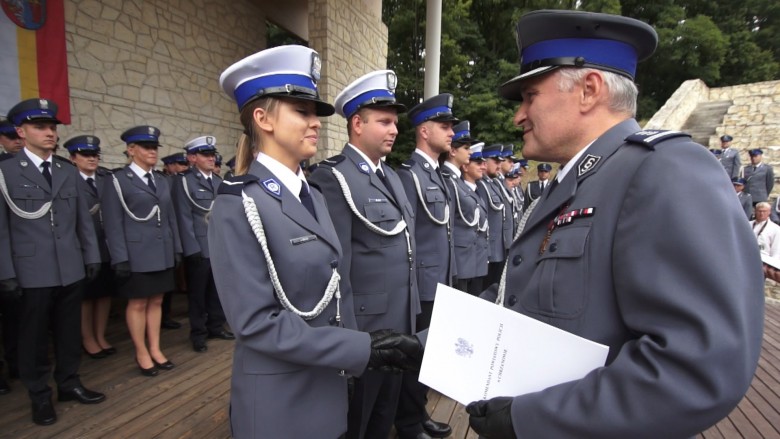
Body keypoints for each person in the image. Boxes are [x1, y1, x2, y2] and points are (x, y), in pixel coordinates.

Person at [464, 10, 764, 439]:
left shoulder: (665, 170)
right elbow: (518, 293)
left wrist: (532, 420)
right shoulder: (574, 181)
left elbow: (697, 368)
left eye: (530, 96)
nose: (519, 116)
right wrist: (422, 345)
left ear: (588, 89)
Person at [209, 45, 421, 439]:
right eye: (301, 112)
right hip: (280, 403)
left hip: (328, 388)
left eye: (315, 114)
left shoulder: (314, 197)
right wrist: (360, 350)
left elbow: (335, 290)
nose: (316, 123)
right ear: (263, 119)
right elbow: (256, 325)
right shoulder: (239, 204)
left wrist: (358, 352)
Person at [309, 69, 421, 439]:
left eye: (394, 122)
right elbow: (336, 266)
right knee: (357, 420)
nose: (394, 130)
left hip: (398, 321)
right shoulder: (334, 177)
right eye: (384, 121)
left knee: (382, 418)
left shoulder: (390, 176)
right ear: (357, 123)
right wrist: (350, 341)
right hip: (367, 330)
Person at [0, 98, 105, 426]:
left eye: (52, 126)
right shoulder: (6, 171)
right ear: (21, 131)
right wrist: (6, 272)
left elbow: (82, 222)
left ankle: (69, 383)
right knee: (32, 339)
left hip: (70, 266)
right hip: (31, 270)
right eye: (39, 126)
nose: (49, 132)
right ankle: (39, 395)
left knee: (68, 332)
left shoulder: (65, 169)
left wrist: (91, 256)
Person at [396, 93, 457, 439]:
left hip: (440, 281)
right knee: (416, 354)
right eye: (444, 126)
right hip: (422, 283)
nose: (451, 133)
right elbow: (409, 236)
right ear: (424, 130)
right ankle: (407, 423)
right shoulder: (410, 175)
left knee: (429, 355)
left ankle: (418, 414)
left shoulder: (435, 174)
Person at [102, 125, 182, 377]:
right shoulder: (116, 180)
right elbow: (113, 224)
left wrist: (176, 248)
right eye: (146, 147)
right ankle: (141, 351)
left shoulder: (161, 180)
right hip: (136, 252)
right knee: (137, 303)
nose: (152, 152)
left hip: (161, 249)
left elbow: (171, 218)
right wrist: (120, 258)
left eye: (154, 147)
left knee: (157, 300)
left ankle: (156, 348)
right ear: (131, 149)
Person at [173, 136, 233, 353]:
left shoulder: (218, 182)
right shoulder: (184, 181)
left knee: (217, 290)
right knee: (197, 294)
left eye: (212, 154)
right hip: (199, 246)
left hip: (218, 247)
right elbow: (183, 216)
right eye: (205, 154)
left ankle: (215, 326)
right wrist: (191, 248)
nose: (211, 158)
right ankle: (198, 333)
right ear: (192, 158)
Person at [63, 135, 117, 360]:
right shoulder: (68, 179)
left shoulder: (106, 178)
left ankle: (100, 335)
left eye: (95, 155)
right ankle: (87, 338)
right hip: (83, 246)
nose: (92, 159)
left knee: (104, 294)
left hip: (106, 244)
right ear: (73, 158)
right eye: (86, 155)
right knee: (86, 296)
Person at [442, 121, 489, 297]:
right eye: (466, 147)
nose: (470, 151)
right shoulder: (448, 180)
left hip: (468, 260)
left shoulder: (458, 182)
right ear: (453, 151)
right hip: (459, 262)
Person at [477, 143, 508, 288]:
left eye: (500, 162)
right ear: (485, 160)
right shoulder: (481, 185)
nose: (499, 166)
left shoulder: (493, 184)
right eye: (495, 162)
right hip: (490, 249)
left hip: (498, 247)